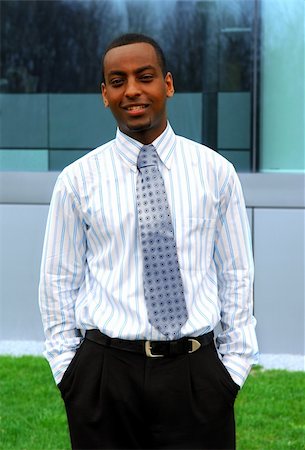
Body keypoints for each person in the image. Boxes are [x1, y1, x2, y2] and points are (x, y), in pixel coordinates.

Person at [39, 33, 259, 450]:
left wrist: (233, 369)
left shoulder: (217, 173)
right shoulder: (77, 181)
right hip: (105, 376)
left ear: (168, 85)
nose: (133, 91)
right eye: (117, 81)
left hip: (196, 374)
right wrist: (69, 372)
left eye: (145, 77)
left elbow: (236, 274)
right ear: (104, 94)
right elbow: (56, 280)